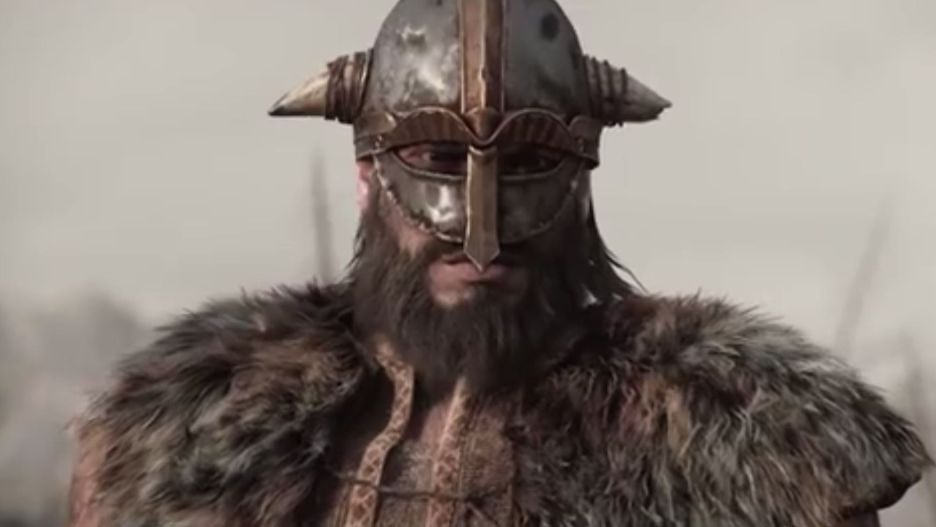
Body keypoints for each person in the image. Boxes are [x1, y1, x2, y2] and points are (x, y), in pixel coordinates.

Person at [68, 1, 930, 526]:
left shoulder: (737, 434)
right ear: (368, 176)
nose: (481, 235)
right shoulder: (187, 426)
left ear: (582, 176)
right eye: (438, 162)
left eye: (528, 165)